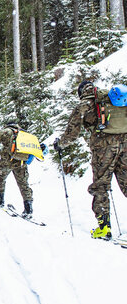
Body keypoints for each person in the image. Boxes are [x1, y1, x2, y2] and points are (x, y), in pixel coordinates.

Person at [54, 80, 127, 240]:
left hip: (104, 148)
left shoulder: (85, 105)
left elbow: (72, 133)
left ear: (81, 92)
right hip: (126, 143)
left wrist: (60, 144)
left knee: (101, 186)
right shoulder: (112, 98)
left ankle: (104, 228)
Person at [0, 121, 46, 218]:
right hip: (21, 162)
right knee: (23, 183)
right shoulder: (24, 133)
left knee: (0, 180)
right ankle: (28, 208)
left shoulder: (6, 131)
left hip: (6, 160)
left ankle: (0, 200)